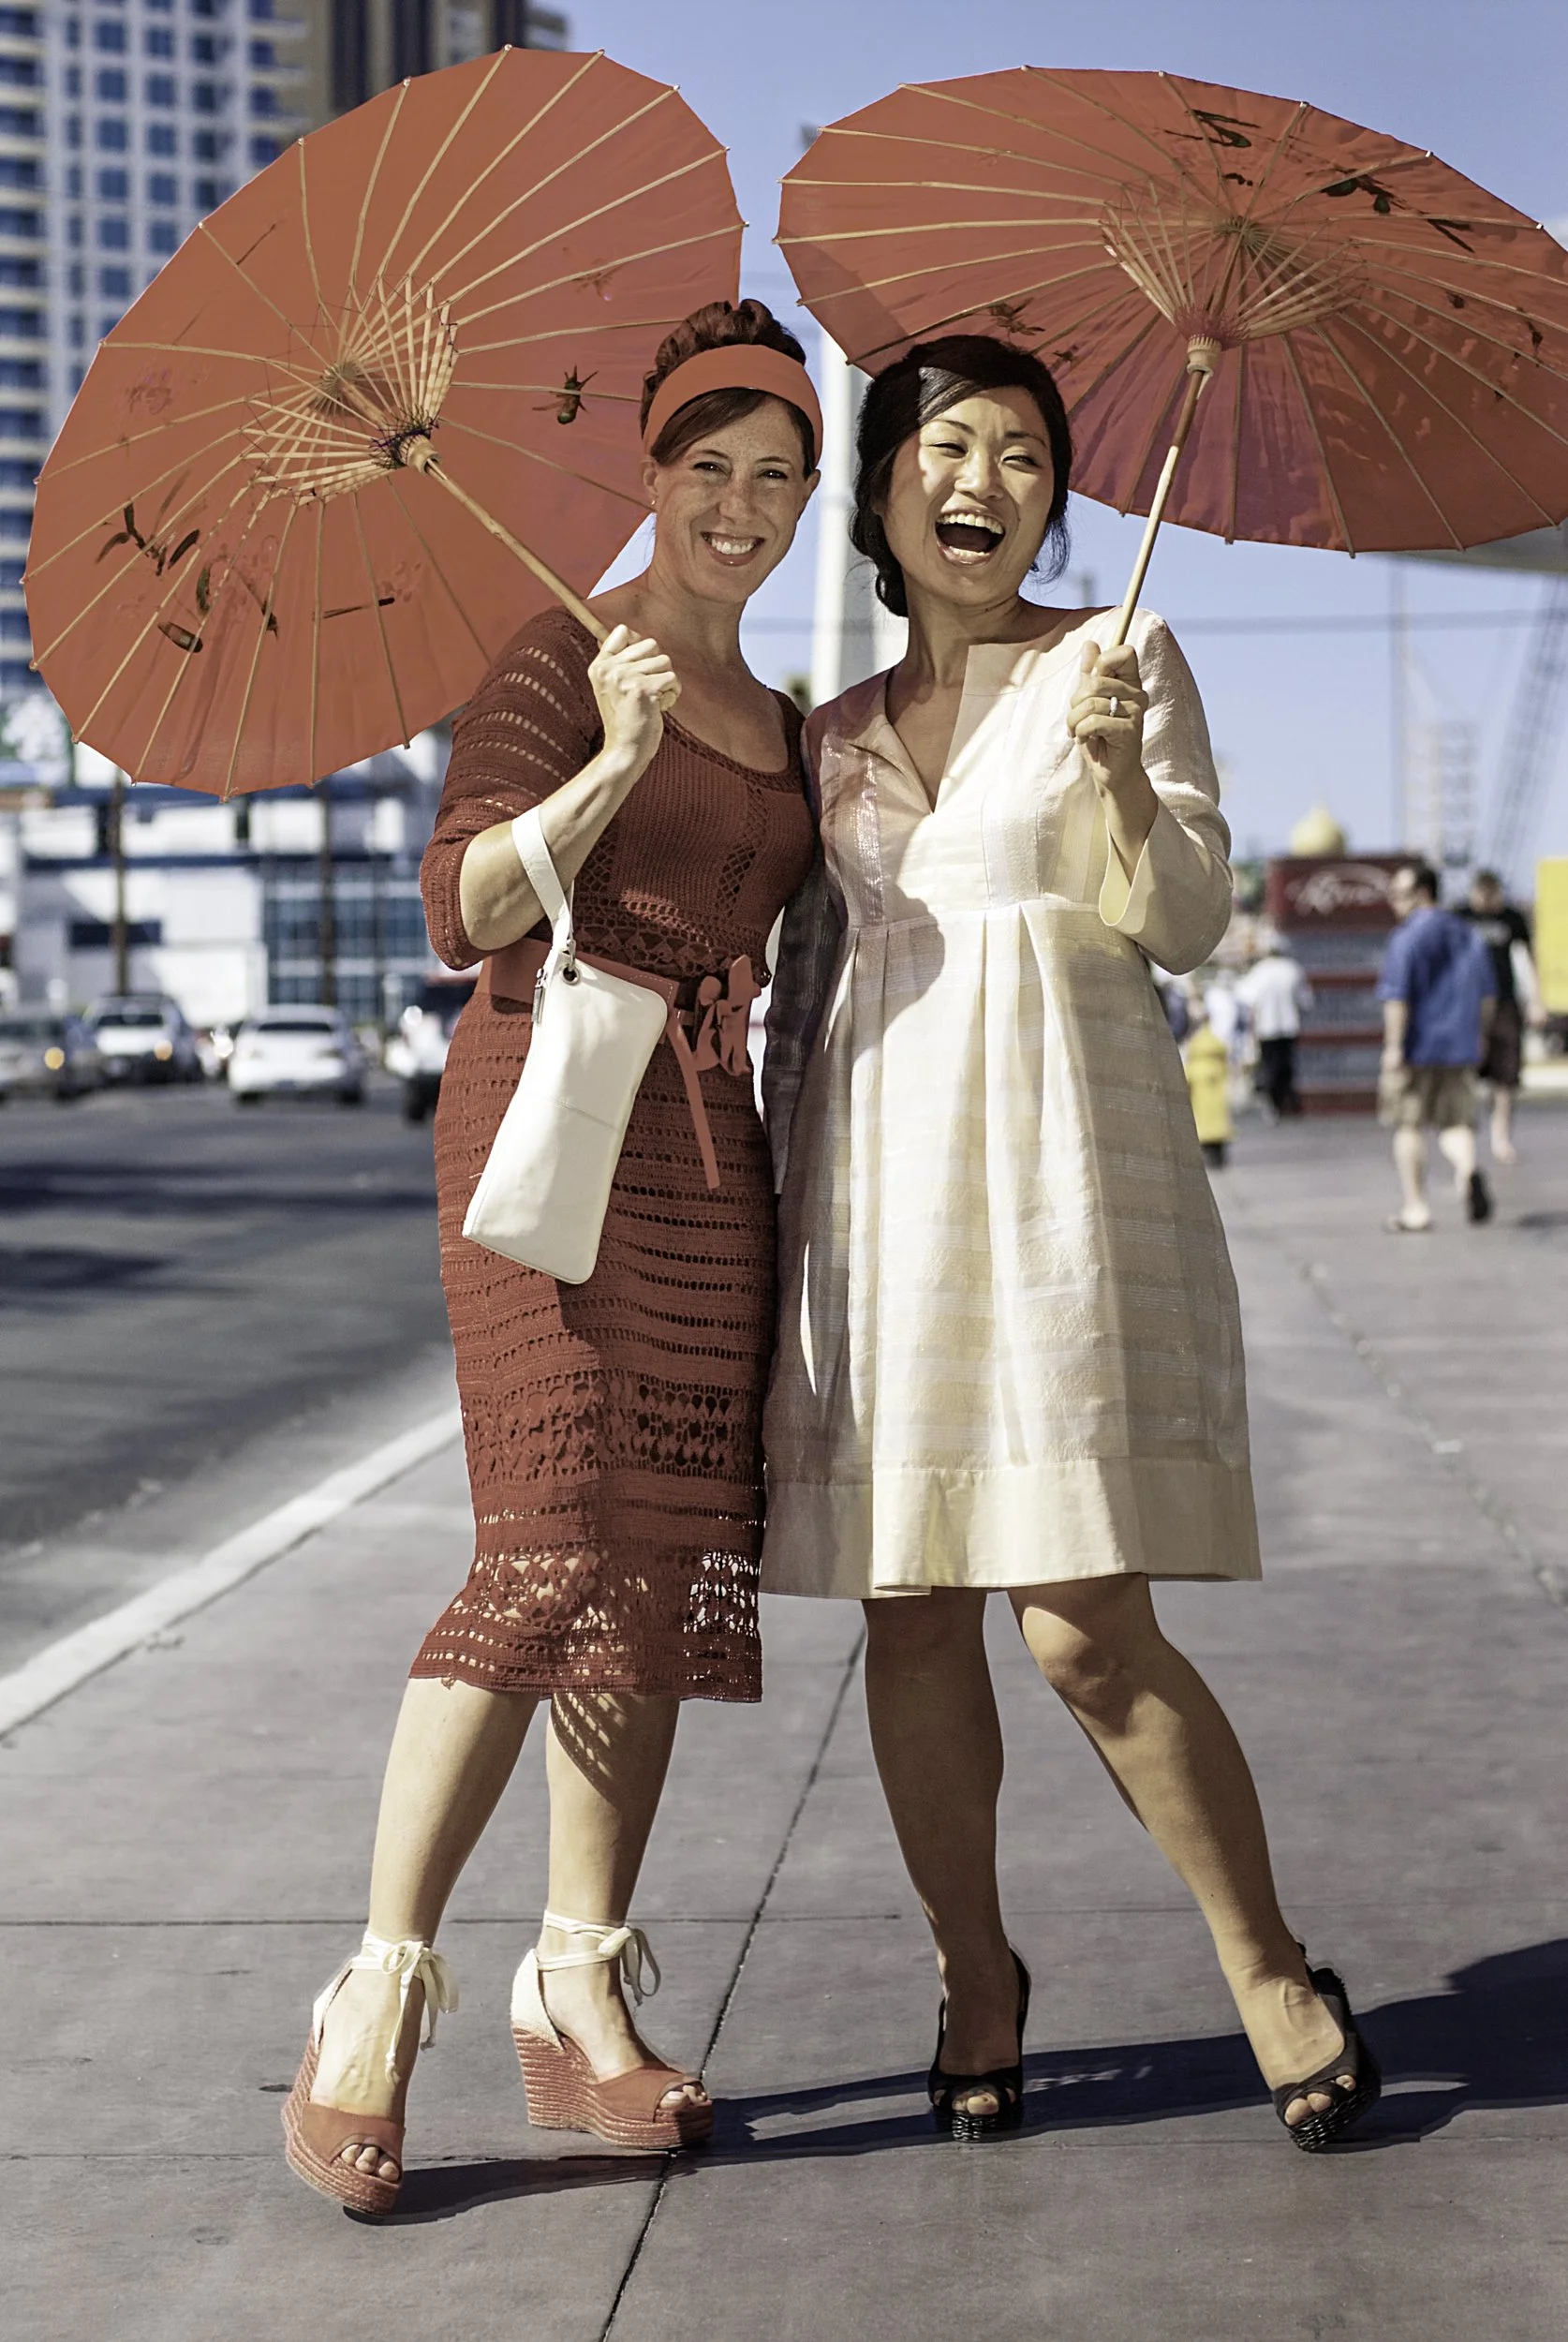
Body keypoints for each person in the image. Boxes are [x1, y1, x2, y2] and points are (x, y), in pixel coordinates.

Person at [762, 335, 1380, 2153]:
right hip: (879, 1194)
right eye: (945, 444)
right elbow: (798, 987)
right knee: (913, 1606)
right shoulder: (830, 732)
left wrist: (1118, 776)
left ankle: (1266, 1958)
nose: (983, 476)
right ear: (881, 489)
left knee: (1084, 1619)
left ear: (1059, 490)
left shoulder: (1124, 660)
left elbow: (1186, 918)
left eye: (1022, 450)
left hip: (1063, 1177)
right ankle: (976, 1968)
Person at [283, 300, 821, 2214]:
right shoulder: (553, 652)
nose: (742, 508)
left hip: (704, 1151)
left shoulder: (791, 713)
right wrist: (604, 762)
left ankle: (578, 1981)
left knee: (663, 1563)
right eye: (710, 471)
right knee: (542, 1546)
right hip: (542, 1124)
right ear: (654, 476)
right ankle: (379, 1987)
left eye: (778, 478)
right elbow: (460, 904)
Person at [1378, 861, 1496, 1233]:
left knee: (1409, 1126)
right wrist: (1480, 1035)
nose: (1393, 902)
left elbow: (1397, 997)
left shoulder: (1407, 937)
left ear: (1422, 893)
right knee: (1455, 1124)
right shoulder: (1468, 935)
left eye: (1398, 894)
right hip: (1460, 1044)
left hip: (1416, 1047)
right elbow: (1488, 996)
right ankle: (1468, 1170)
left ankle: (1416, 1208)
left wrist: (1394, 1046)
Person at [1459, 868, 1540, 1164]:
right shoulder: (1461, 917)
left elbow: (1530, 959)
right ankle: (1465, 1135)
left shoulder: (1511, 918)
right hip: (1469, 1004)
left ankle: (1500, 1137)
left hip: (1505, 1003)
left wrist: (1536, 1000)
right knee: (1467, 1072)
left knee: (1505, 1075)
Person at [1235, 926, 1314, 1120]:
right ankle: (1288, 1104)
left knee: (1270, 1067)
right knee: (1287, 1066)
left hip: (1267, 1028)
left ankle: (1274, 1106)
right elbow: (1306, 1000)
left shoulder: (1260, 972)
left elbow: (1245, 998)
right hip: (1289, 1026)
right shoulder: (1292, 969)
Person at [1183, 1002, 1233, 1167]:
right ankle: (1220, 1159)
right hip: (1218, 1108)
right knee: (1219, 1129)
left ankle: (1210, 1160)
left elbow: (1187, 1079)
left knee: (1204, 1132)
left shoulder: (1195, 1054)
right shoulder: (1217, 1050)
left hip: (1201, 1109)